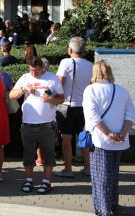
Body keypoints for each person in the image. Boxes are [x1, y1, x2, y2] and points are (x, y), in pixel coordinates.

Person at [83, 61, 135, 216]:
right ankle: (113, 205)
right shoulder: (122, 90)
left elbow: (94, 117)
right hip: (120, 140)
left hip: (100, 140)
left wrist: (108, 134)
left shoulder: (91, 90)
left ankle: (103, 210)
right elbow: (130, 116)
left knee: (100, 177)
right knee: (113, 176)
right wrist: (122, 133)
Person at [10, 56, 64, 194]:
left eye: (37, 70)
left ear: (42, 67)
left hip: (47, 124)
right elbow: (11, 96)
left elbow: (61, 98)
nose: (34, 73)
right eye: (31, 70)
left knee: (48, 153)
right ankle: (29, 180)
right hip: (28, 123)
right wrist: (24, 89)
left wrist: (50, 98)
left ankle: (46, 182)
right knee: (28, 153)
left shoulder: (52, 78)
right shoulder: (25, 78)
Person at [55, 37, 94, 178]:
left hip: (66, 105)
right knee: (83, 135)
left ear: (70, 50)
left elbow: (59, 83)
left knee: (66, 137)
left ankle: (68, 169)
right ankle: (88, 168)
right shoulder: (90, 65)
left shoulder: (65, 62)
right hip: (84, 106)